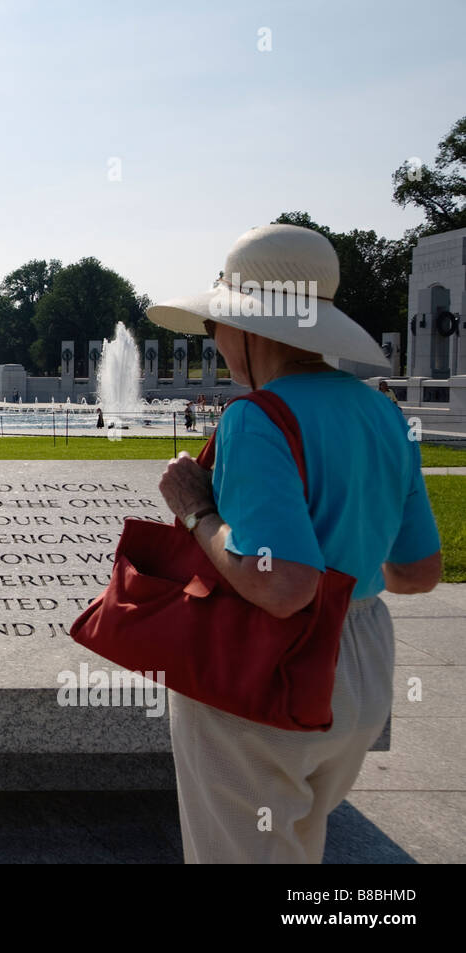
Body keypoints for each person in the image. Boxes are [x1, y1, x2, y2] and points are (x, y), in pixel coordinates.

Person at [147, 224, 441, 864]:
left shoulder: (256, 417)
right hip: (362, 666)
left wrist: (195, 508)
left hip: (265, 668)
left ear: (252, 331)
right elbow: (417, 572)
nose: (215, 339)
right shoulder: (386, 414)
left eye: (215, 325)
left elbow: (282, 587)